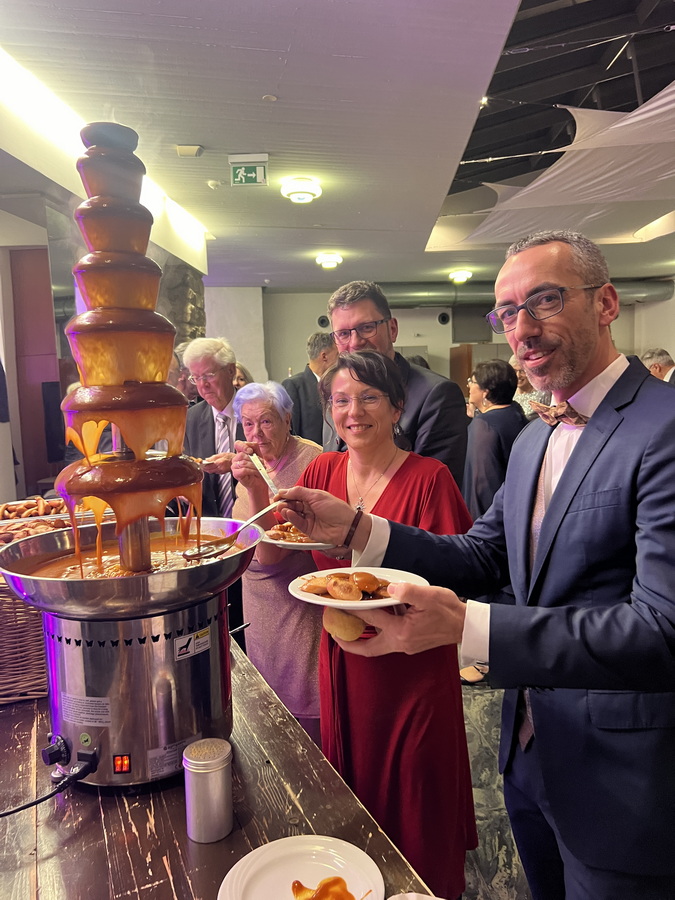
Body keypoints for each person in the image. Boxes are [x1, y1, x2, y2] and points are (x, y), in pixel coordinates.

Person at [277, 231, 675, 900]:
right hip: (527, 751)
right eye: (506, 310)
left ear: (605, 303)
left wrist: (471, 631)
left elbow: (660, 630)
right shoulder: (535, 432)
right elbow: (480, 552)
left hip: (622, 775)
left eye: (543, 300)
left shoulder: (661, 427)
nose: (522, 328)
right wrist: (356, 528)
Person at [272, 350, 476, 900]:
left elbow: (454, 578)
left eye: (369, 398)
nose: (353, 411)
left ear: (397, 408)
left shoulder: (429, 479)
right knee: (352, 794)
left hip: (411, 665)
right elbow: (284, 557)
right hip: (343, 656)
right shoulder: (320, 473)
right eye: (341, 400)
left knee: (414, 790)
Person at [230, 382, 323, 742]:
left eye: (266, 421)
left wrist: (254, 488)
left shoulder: (311, 462)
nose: (256, 433)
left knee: (304, 711)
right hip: (258, 606)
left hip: (296, 608)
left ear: (288, 418)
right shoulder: (250, 462)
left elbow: (270, 554)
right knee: (269, 710)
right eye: (247, 423)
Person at [323, 281, 468, 487]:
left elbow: (433, 492)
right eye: (344, 334)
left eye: (366, 328)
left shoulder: (436, 395)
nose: (355, 342)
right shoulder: (336, 393)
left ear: (392, 329)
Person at [182, 337, 243, 518]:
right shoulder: (191, 419)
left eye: (208, 375)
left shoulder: (258, 409)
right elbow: (187, 470)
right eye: (196, 378)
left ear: (230, 370)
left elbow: (281, 465)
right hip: (211, 526)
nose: (202, 385)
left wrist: (236, 463)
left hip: (254, 521)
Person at [463, 359, 527, 520]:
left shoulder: (484, 426)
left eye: (473, 381)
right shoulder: (516, 413)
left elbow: (482, 484)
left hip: (490, 520)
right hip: (517, 511)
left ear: (486, 392)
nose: (469, 386)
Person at [282, 332, 338, 444]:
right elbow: (290, 432)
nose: (340, 360)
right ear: (324, 356)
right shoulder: (294, 386)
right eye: (337, 355)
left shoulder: (337, 385)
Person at [508, 353, 552, 417]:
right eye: (514, 371)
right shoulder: (508, 394)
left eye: (522, 371)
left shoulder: (544, 394)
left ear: (530, 371)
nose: (518, 375)